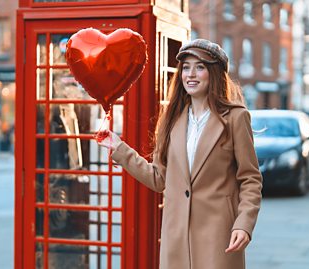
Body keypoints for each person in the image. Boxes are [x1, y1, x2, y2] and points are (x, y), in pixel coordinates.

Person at [97, 39, 262, 269]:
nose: (191, 74)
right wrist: (120, 149)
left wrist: (243, 224)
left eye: (200, 67)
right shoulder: (172, 119)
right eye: (186, 67)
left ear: (214, 73)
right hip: (176, 238)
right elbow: (158, 178)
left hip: (219, 236)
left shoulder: (235, 118)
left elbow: (250, 179)